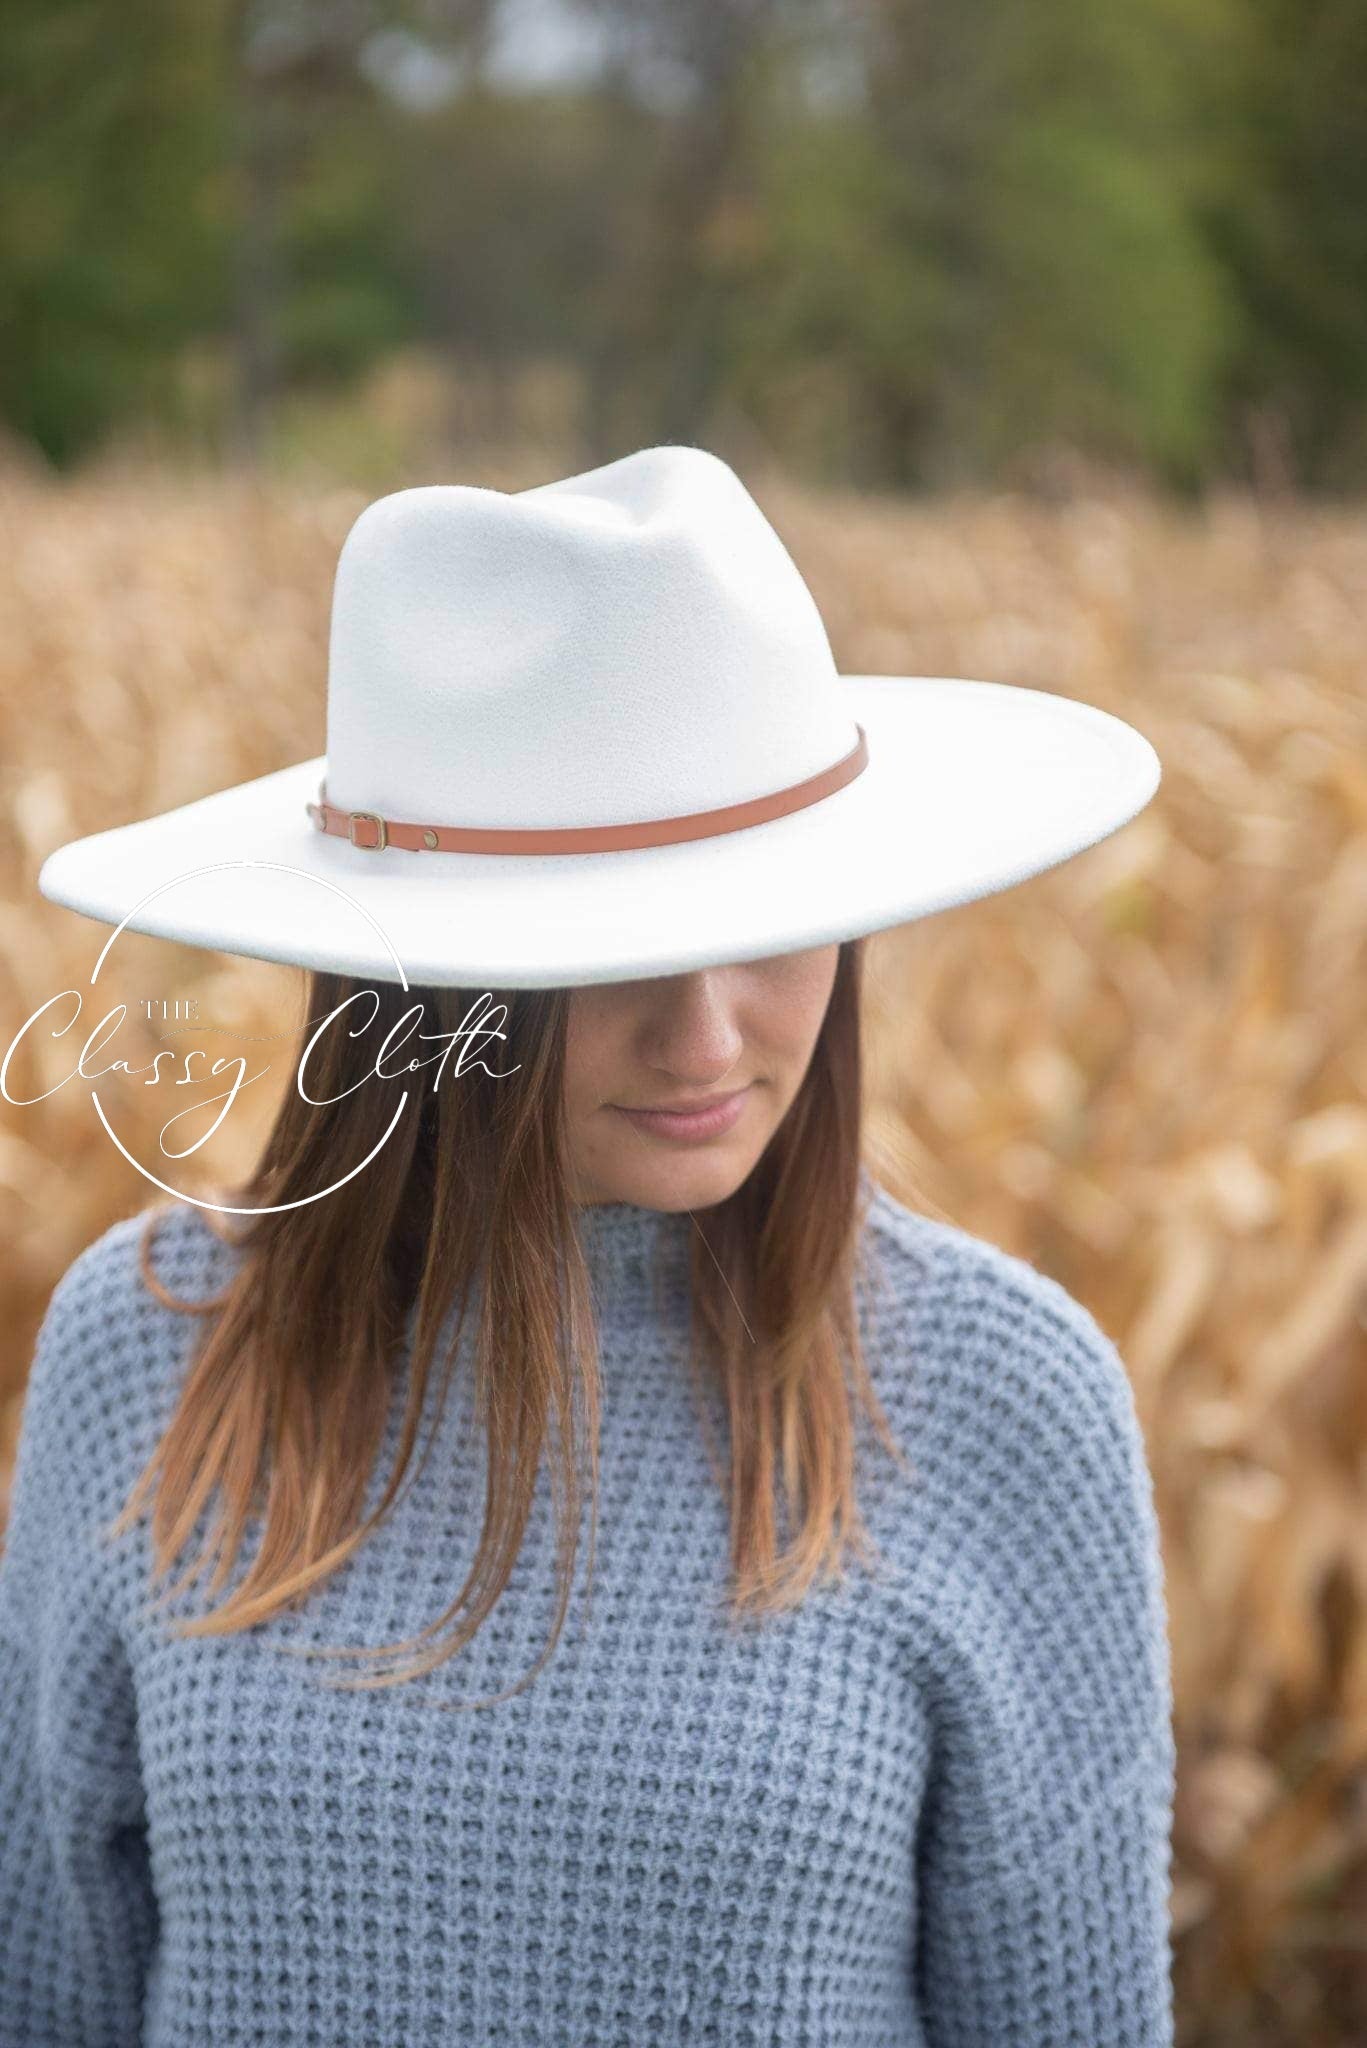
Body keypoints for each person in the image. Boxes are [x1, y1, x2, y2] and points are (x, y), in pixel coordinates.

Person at [3, 443, 1175, 2045]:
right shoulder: (146, 1347)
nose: (705, 1036)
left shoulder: (999, 1400)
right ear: (413, 984)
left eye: (765, 921)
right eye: (598, 958)